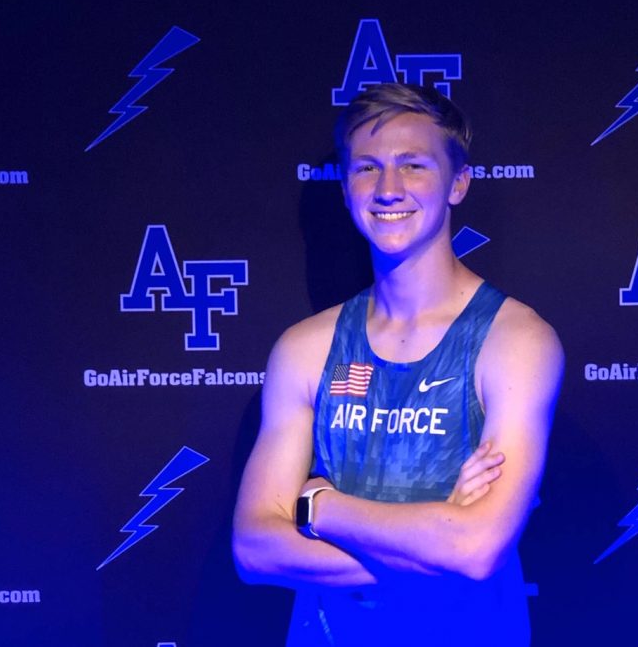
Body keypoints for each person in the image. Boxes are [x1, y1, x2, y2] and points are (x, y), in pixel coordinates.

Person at [232, 83, 563, 646]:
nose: (388, 189)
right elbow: (254, 548)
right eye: (366, 168)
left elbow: (477, 549)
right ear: (345, 186)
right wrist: (434, 541)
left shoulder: (516, 341)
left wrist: (320, 508)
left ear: (458, 183)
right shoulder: (305, 348)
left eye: (413, 165)